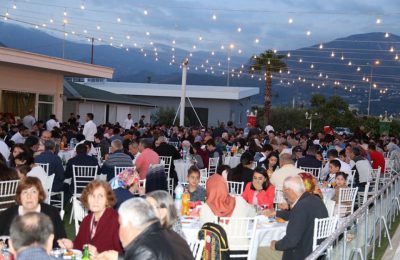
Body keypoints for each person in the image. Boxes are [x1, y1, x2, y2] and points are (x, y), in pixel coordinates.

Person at [94, 197, 194, 260]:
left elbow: (147, 254)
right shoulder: (172, 235)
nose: (118, 231)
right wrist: (117, 257)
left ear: (129, 225)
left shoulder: (144, 250)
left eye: (119, 225)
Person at [267, 176, 328, 260]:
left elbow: (291, 241)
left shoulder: (300, 207)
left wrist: (276, 245)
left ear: (289, 191)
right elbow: (296, 216)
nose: (284, 194)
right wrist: (276, 213)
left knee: (261, 251)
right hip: (318, 252)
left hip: (302, 254)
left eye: (284, 191)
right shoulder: (315, 199)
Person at [58, 180, 122, 255]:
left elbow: (124, 255)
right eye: (92, 195)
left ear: (107, 200)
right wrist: (71, 245)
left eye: (100, 196)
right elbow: (80, 245)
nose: (95, 200)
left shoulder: (116, 220)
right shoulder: (87, 220)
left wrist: (98, 255)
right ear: (87, 199)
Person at [0, 177, 66, 248]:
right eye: (25, 192)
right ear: (19, 196)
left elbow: (61, 240)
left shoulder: (51, 212)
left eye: (33, 192)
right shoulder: (9, 213)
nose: (29, 196)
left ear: (39, 195)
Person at [200, 174, 256, 241]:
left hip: (218, 250)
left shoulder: (205, 209)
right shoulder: (240, 201)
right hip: (243, 248)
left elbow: (204, 233)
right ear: (225, 186)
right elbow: (253, 214)